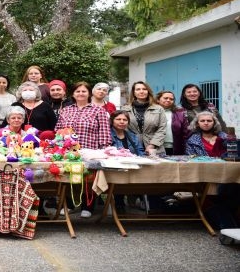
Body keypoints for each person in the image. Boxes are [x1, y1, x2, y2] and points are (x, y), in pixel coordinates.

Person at [55, 82, 111, 219]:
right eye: (78, 91)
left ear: (89, 93)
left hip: (90, 150)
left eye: (84, 91)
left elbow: (104, 132)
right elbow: (58, 130)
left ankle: (88, 206)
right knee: (68, 177)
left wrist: (103, 150)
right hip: (68, 151)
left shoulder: (99, 110)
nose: (81, 94)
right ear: (73, 94)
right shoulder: (65, 110)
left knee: (88, 178)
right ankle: (69, 205)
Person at [109, 110, 145, 213]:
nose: (122, 122)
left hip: (132, 165)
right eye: (118, 119)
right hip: (115, 167)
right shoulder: (107, 134)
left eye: (125, 120)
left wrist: (143, 160)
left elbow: (140, 150)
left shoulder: (132, 135)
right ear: (112, 121)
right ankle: (119, 205)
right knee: (118, 181)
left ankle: (141, 200)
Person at [120, 81, 167, 157]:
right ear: (134, 92)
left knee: (156, 168)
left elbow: (162, 129)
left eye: (144, 89)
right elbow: (123, 128)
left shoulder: (158, 109)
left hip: (154, 147)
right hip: (132, 146)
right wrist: (132, 142)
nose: (141, 91)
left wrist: (152, 144)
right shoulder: (125, 109)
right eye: (138, 89)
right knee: (134, 168)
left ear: (148, 91)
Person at [157, 90, 189, 155]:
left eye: (171, 99)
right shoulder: (152, 112)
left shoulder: (180, 112)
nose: (168, 100)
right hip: (157, 146)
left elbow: (186, 131)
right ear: (158, 100)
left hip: (176, 147)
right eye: (165, 98)